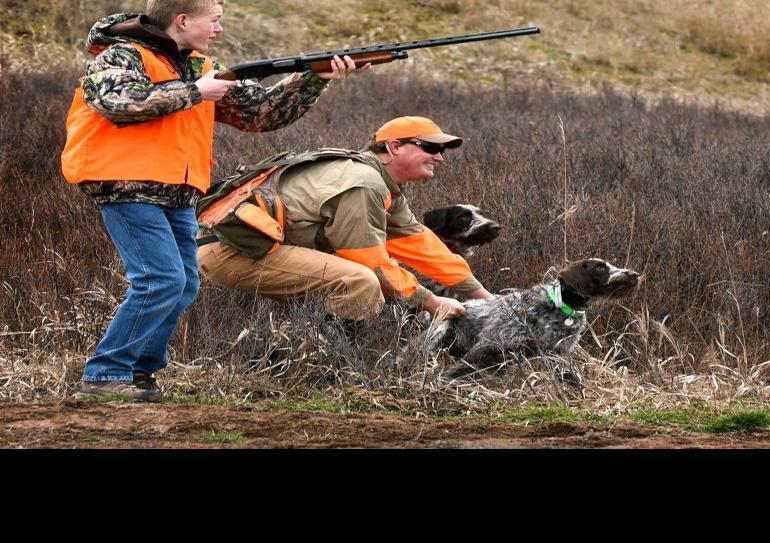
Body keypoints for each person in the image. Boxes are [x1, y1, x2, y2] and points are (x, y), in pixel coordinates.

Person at [61, 0, 365, 401]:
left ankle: (137, 372)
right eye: (215, 21)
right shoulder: (121, 55)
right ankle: (104, 374)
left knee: (184, 284)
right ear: (183, 20)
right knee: (161, 280)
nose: (219, 30)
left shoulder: (200, 66)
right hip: (127, 186)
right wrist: (196, 92)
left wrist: (314, 78)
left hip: (179, 191)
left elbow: (260, 113)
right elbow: (117, 102)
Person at [196, 115, 494, 335]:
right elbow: (368, 259)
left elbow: (420, 244)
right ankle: (319, 367)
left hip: (251, 246)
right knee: (360, 282)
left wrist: (486, 298)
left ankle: (295, 350)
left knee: (365, 280)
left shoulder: (382, 185)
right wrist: (429, 301)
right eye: (430, 147)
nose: (438, 157)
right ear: (394, 147)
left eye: (442, 151)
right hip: (231, 251)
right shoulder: (364, 184)